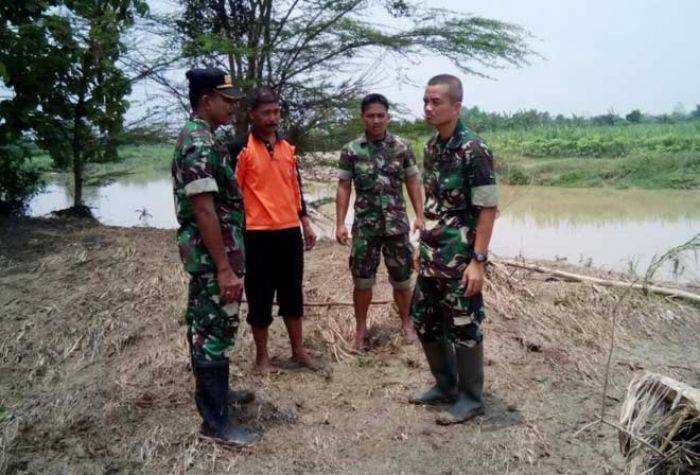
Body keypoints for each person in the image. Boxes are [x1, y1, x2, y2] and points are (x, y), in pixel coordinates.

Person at [171, 68, 257, 445]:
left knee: (214, 328)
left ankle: (219, 397)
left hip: (218, 254)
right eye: (226, 100)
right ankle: (216, 423)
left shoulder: (204, 137)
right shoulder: (198, 143)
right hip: (212, 259)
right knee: (212, 332)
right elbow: (204, 209)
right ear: (206, 100)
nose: (233, 106)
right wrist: (223, 268)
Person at [410, 74, 498, 425]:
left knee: (464, 324)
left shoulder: (474, 150)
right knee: (424, 319)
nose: (428, 108)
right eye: (425, 101)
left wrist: (478, 261)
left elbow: (488, 209)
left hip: (462, 258)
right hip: (434, 252)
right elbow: (434, 203)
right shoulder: (432, 148)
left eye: (436, 102)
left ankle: (470, 398)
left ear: (456, 106)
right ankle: (445, 385)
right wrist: (424, 243)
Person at [235, 87, 318, 374]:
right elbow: (234, 193)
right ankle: (262, 358)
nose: (272, 118)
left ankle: (298, 351)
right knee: (259, 295)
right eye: (266, 113)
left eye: (276, 112)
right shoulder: (242, 148)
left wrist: (304, 222)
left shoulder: (287, 149)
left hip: (288, 232)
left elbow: (295, 189)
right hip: (256, 233)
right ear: (252, 114)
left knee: (292, 293)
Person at [335, 93, 425, 350]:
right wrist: (340, 223)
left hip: (397, 226)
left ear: (388, 116)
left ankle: (407, 322)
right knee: (362, 282)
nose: (376, 120)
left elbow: (412, 181)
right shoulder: (351, 150)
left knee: (402, 279)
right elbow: (343, 187)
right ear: (362, 117)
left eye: (380, 115)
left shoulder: (402, 147)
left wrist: (419, 215)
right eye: (370, 115)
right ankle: (361, 330)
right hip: (366, 226)